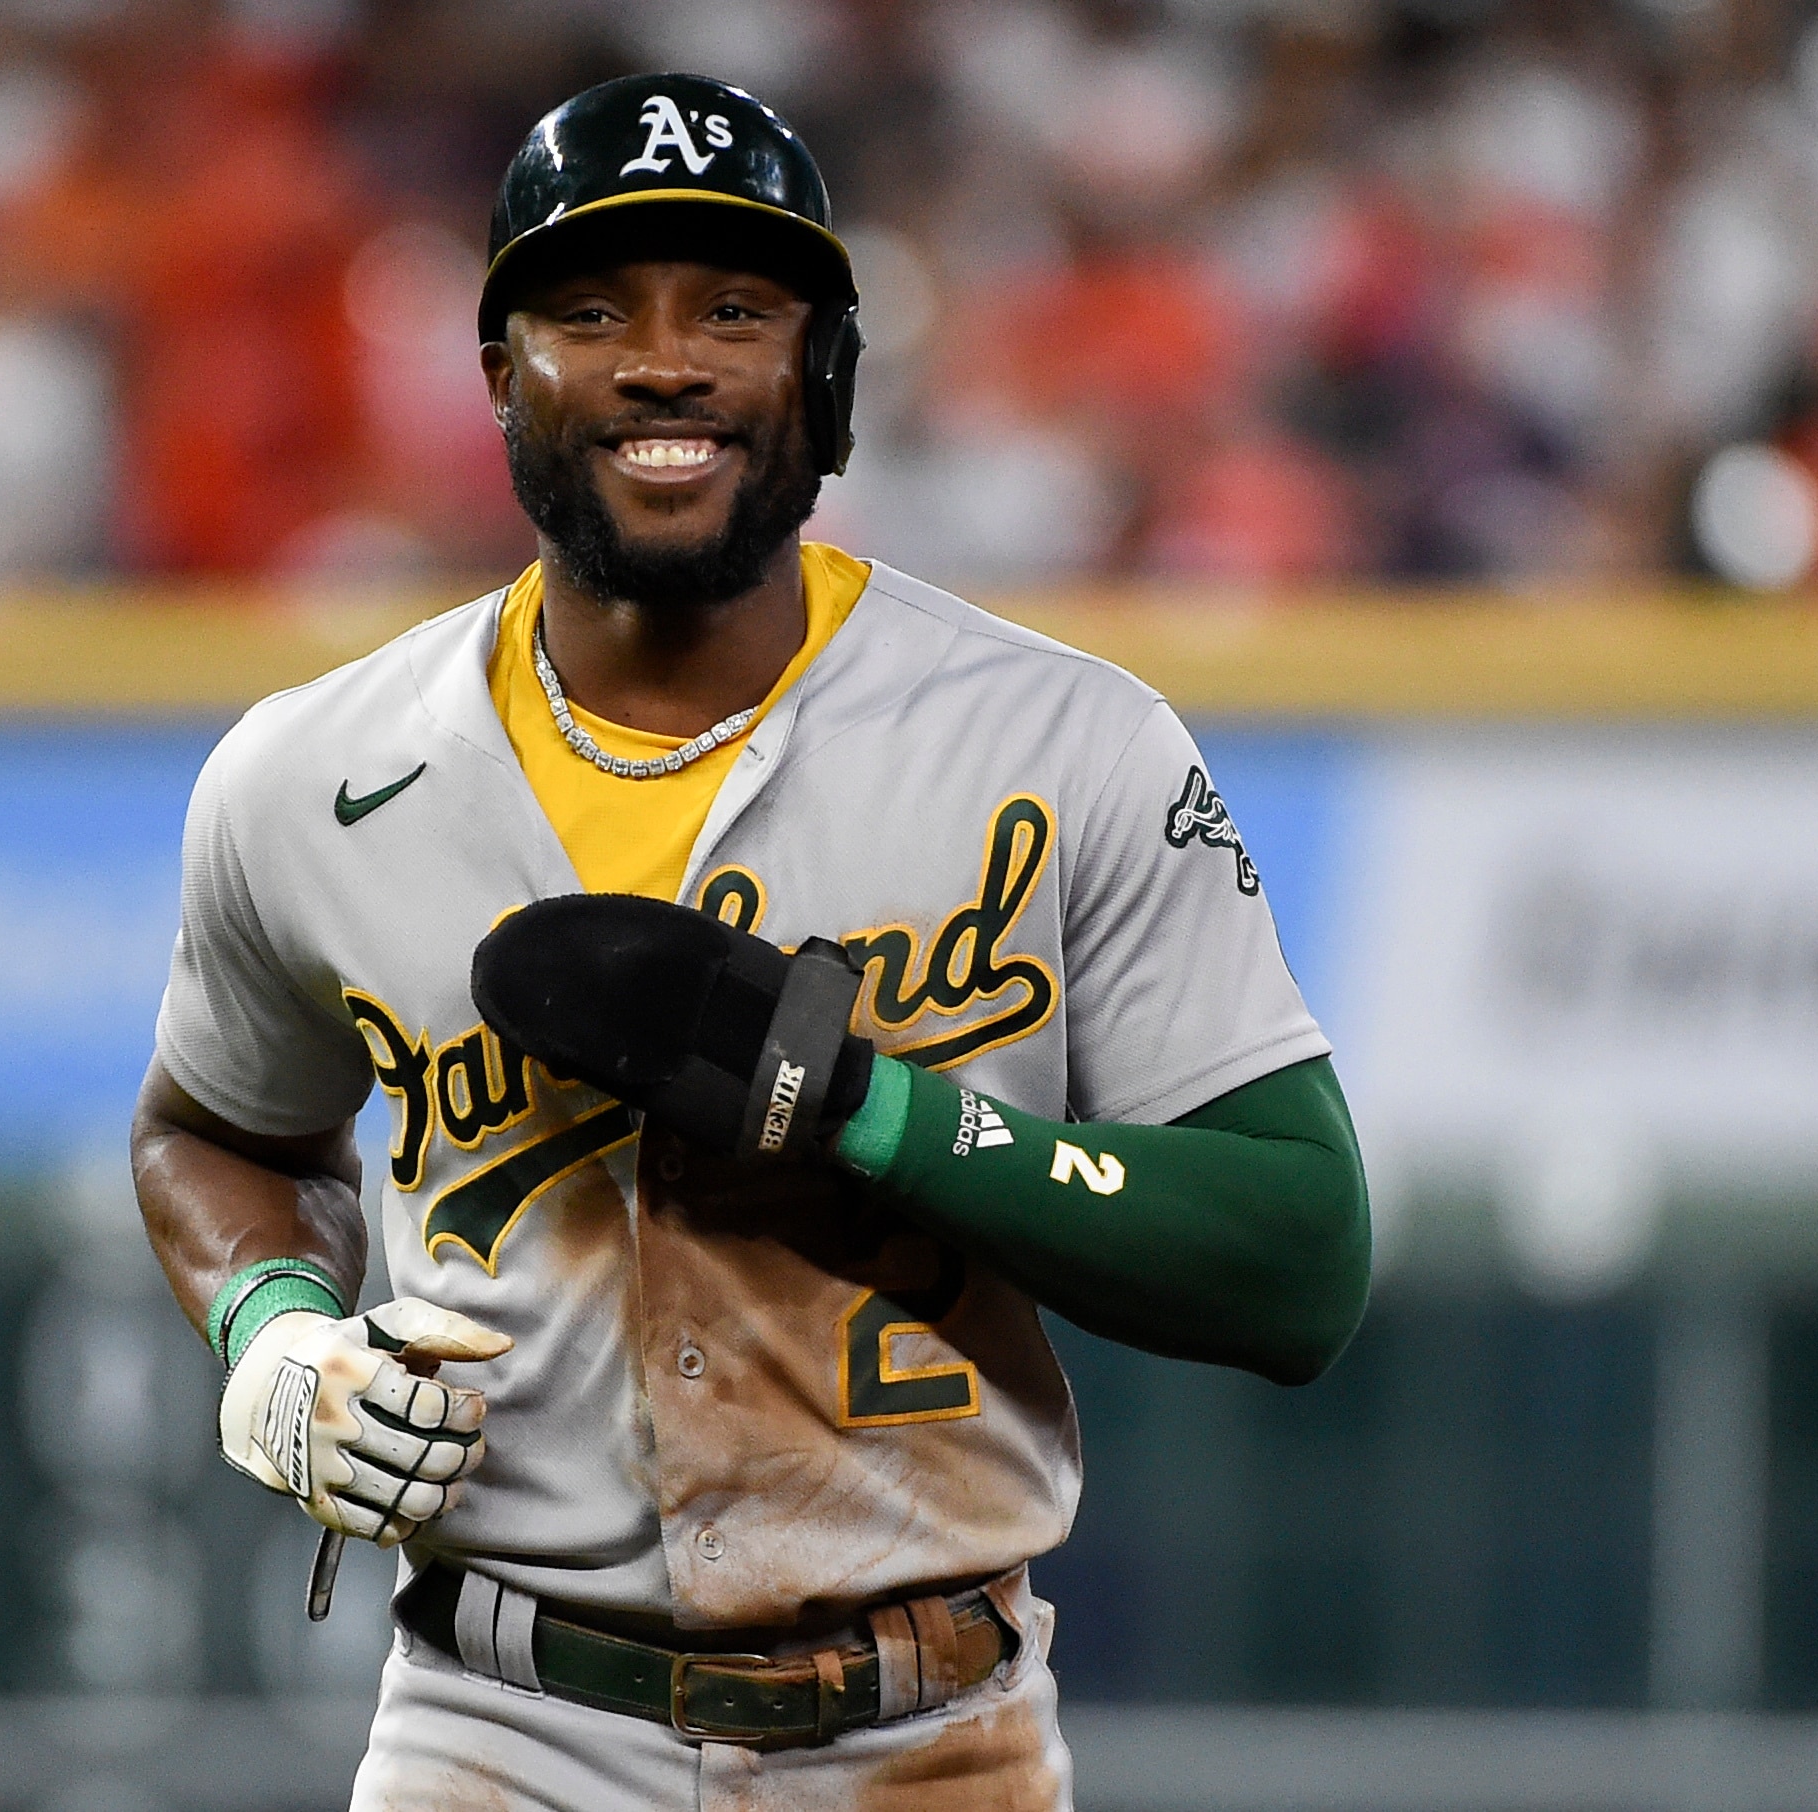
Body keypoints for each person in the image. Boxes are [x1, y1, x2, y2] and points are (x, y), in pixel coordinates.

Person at [130, 73, 1371, 1810]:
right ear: (497, 380)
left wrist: (877, 1110)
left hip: (935, 1734)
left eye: (736, 308)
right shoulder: (311, 772)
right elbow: (211, 1132)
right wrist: (274, 1335)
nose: (664, 361)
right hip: (501, 1724)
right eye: (586, 310)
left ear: (832, 374)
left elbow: (1303, 1256)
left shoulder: (1062, 740)